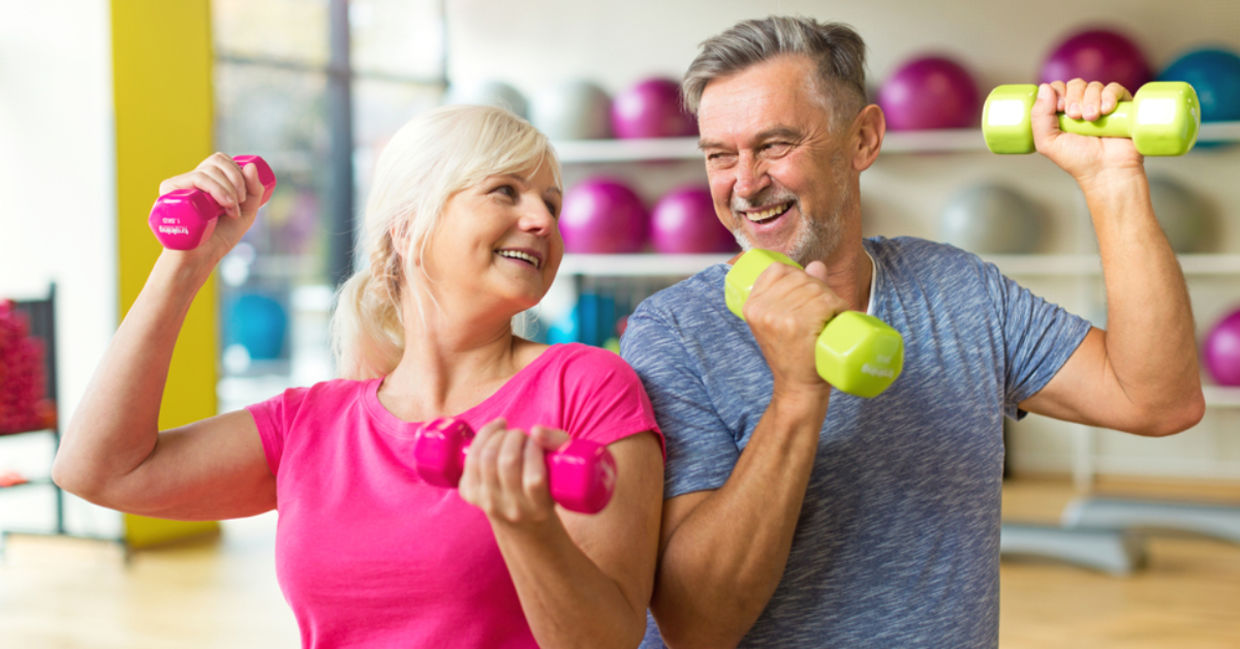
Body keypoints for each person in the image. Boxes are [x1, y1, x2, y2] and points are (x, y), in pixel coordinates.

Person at [619, 15, 1205, 649]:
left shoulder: (958, 290)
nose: (745, 182)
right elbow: (695, 626)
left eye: (776, 144)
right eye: (720, 155)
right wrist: (796, 396)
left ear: (864, 139)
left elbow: (1157, 399)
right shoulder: (673, 332)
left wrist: (1111, 179)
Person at [53, 104, 665, 649]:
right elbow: (98, 471)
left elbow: (610, 637)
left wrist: (526, 528)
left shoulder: (586, 386)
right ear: (407, 227)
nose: (542, 220)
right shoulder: (313, 422)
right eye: (506, 191)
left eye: (552, 204)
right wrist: (186, 262)